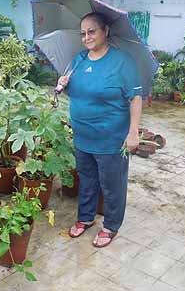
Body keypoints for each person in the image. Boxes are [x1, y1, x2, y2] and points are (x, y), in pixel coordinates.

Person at [58, 12, 142, 248]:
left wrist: (133, 132)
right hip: (83, 136)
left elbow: (135, 97)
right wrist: (63, 85)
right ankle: (85, 218)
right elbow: (75, 91)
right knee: (86, 180)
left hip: (111, 139)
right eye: (82, 33)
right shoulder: (79, 60)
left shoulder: (122, 61)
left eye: (91, 31)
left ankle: (111, 225)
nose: (86, 37)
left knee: (112, 182)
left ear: (105, 31)